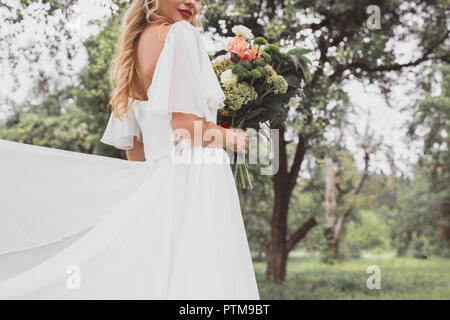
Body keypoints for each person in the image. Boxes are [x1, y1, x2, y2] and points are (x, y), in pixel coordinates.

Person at [0, 0, 260, 299]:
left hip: (160, 179)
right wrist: (233, 139)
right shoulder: (180, 35)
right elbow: (186, 127)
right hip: (198, 177)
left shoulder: (135, 48)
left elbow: (137, 151)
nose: (192, 3)